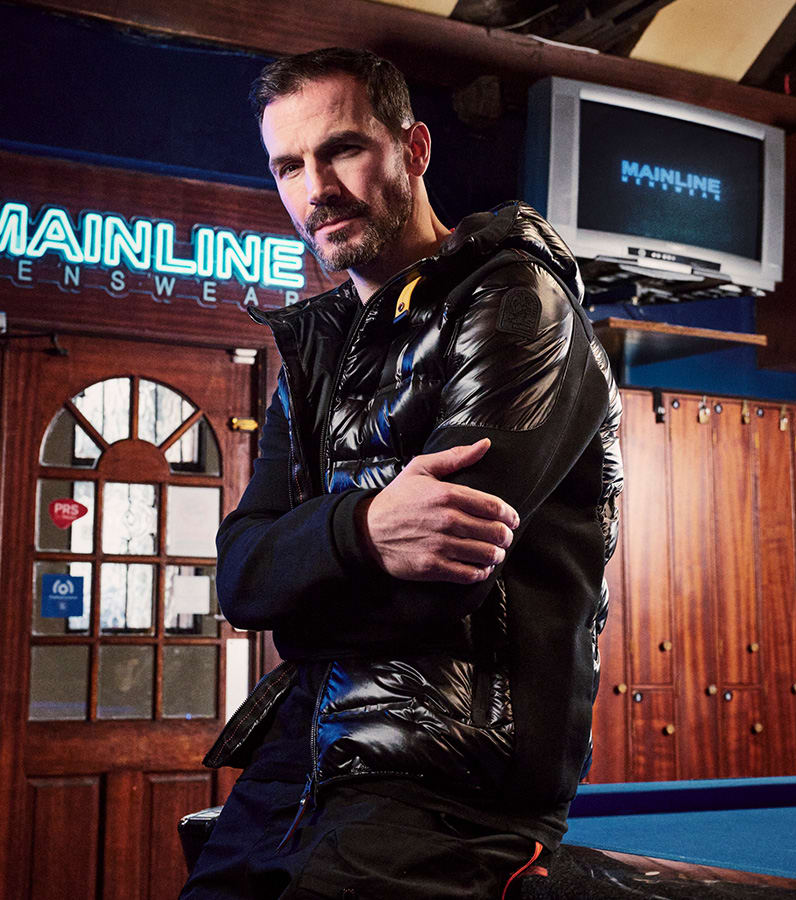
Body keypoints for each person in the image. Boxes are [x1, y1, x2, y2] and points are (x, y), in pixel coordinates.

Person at [181, 47, 622, 900]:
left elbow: (433, 594)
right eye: (289, 166)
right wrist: (367, 530)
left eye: (342, 149)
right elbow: (238, 579)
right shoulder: (312, 349)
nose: (317, 188)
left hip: (453, 781)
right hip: (298, 764)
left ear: (414, 150)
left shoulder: (516, 304)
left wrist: (301, 572)